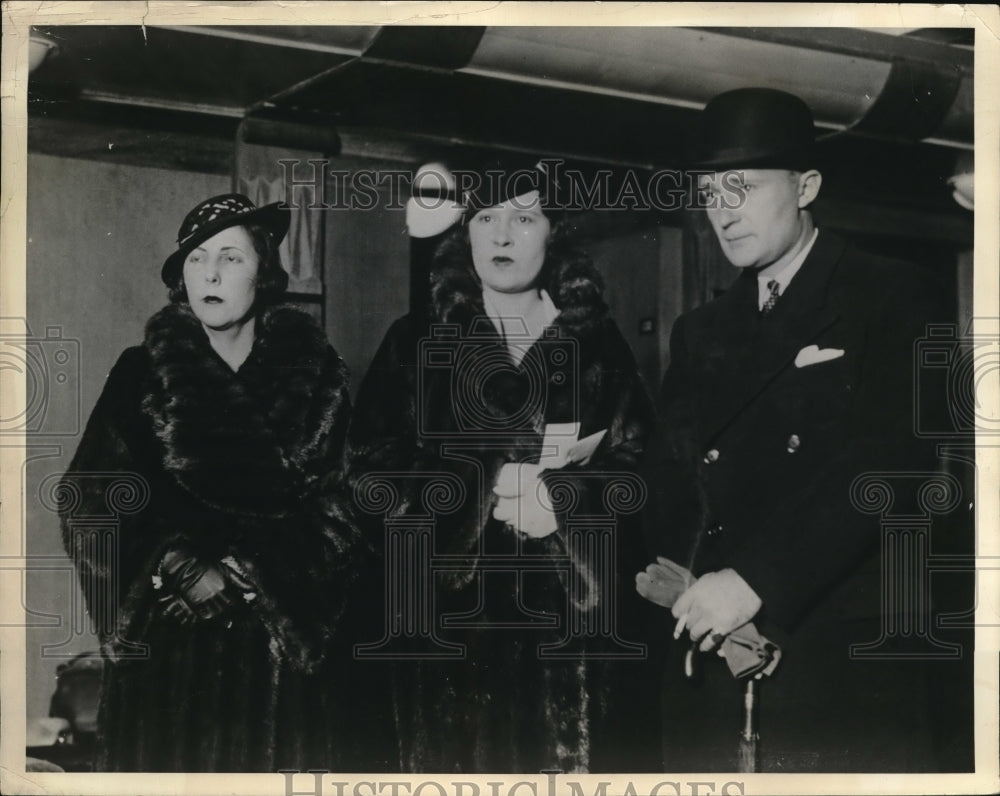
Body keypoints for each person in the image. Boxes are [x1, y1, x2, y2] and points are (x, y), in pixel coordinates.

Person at [639, 88, 956, 772]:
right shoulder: (700, 331)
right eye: (709, 192)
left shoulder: (892, 293)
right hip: (713, 646)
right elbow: (669, 474)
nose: (722, 212)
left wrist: (756, 580)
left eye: (743, 188)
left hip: (835, 652)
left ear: (806, 185)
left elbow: (891, 462)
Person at [347, 159, 661, 773]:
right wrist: (485, 482)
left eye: (524, 217)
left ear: (555, 232)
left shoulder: (598, 344)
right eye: (486, 217)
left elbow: (641, 466)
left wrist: (565, 499)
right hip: (448, 625)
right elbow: (368, 470)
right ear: (465, 232)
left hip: (571, 623)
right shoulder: (415, 341)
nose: (501, 234)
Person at [58, 194, 372, 772]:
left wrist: (252, 570)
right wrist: (177, 563)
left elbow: (348, 503)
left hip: (279, 651)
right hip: (172, 647)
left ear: (264, 273)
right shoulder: (141, 373)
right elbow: (91, 495)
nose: (211, 273)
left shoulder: (317, 376)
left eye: (231, 257)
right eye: (197, 258)